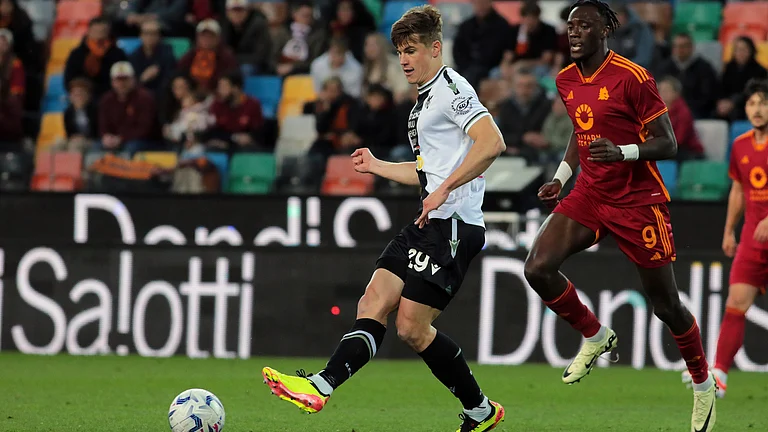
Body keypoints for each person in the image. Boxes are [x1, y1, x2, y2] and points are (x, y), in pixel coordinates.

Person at [262, 6, 508, 432]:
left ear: (436, 48)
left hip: (454, 225)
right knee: (372, 301)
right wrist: (378, 165)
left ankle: (482, 410)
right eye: (399, 52)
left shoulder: (452, 88)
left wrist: (445, 189)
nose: (405, 59)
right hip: (429, 219)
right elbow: (428, 170)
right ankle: (320, 386)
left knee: (412, 328)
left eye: (412, 50)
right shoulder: (423, 102)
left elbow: (492, 142)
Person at [523, 1, 716, 431]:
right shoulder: (565, 79)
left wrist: (625, 151)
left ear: (604, 31)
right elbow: (580, 129)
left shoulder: (633, 77)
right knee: (537, 268)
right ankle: (595, 334)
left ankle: (703, 386)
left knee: (666, 305)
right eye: (570, 26)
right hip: (590, 193)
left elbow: (668, 143)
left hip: (638, 201)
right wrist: (560, 176)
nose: (574, 33)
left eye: (584, 26)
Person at [681, 79, 768, 400]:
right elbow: (738, 189)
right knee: (735, 304)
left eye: (763, 103)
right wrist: (729, 229)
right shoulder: (741, 145)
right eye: (752, 104)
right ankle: (718, 374)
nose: (757, 110)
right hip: (752, 239)